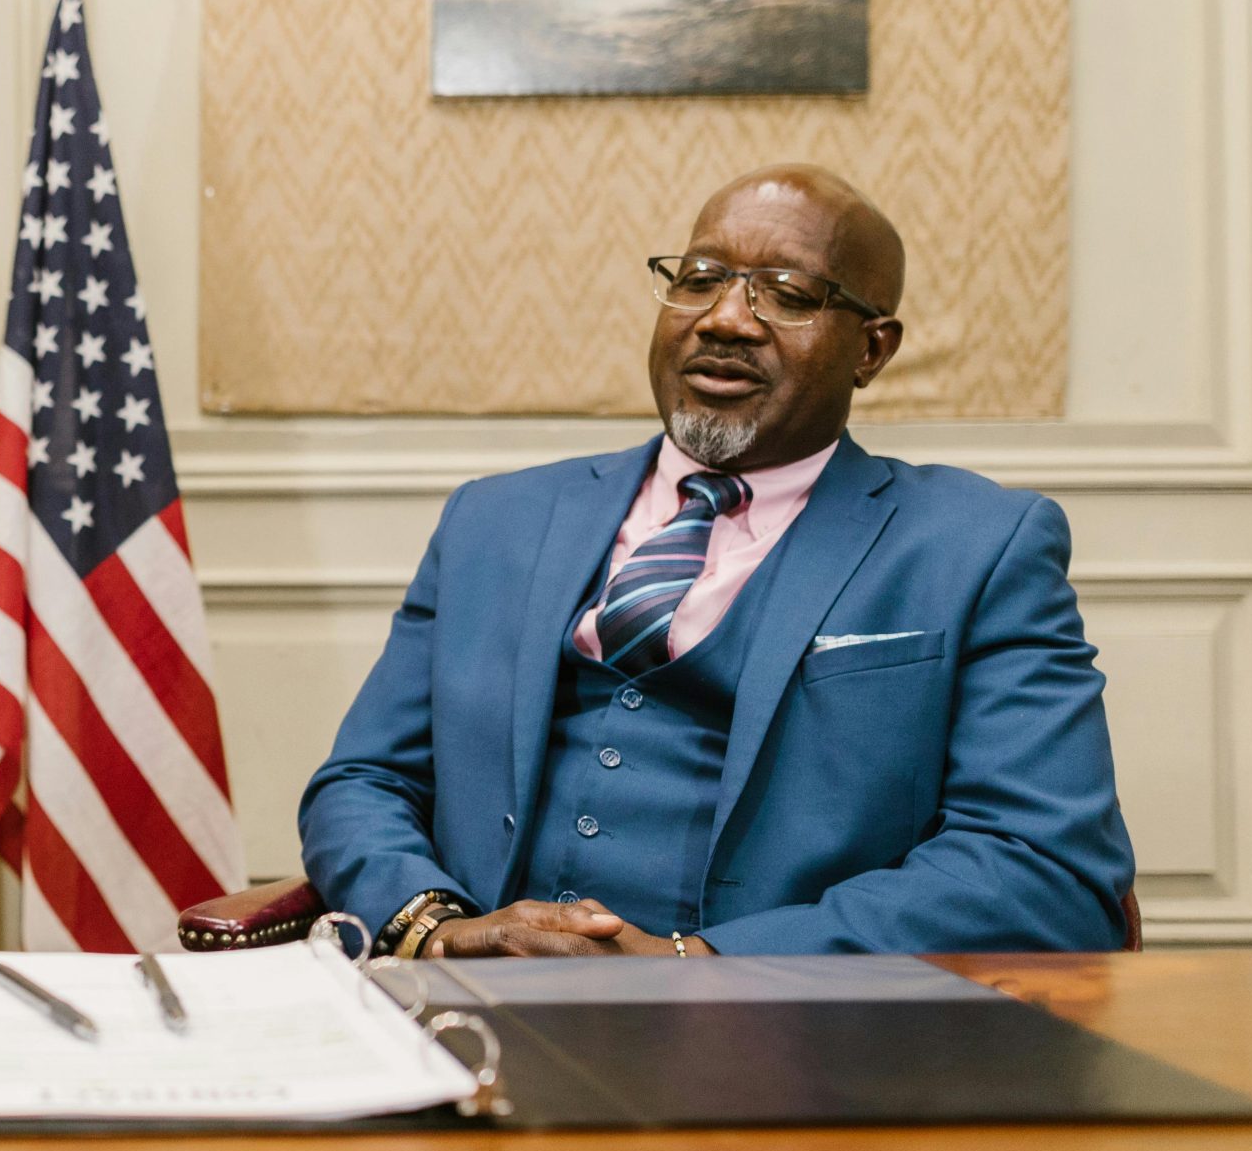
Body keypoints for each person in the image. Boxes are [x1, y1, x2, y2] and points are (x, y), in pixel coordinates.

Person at [299, 164, 1134, 959]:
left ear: (871, 349)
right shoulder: (494, 520)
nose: (726, 318)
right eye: (699, 278)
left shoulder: (979, 546)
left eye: (789, 294)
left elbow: (1045, 869)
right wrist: (436, 927)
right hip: (474, 1020)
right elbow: (364, 779)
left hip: (785, 1045)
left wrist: (699, 963)